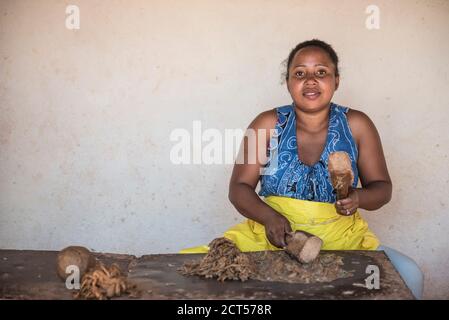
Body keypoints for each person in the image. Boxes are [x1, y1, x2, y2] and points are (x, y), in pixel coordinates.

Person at [181, 39, 423, 299]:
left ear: (336, 80)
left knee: (409, 273)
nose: (310, 80)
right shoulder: (267, 124)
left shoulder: (357, 124)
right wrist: (269, 218)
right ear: (288, 82)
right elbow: (238, 189)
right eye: (300, 73)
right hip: (271, 235)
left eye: (321, 72)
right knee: (190, 273)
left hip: (342, 238)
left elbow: (382, 189)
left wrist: (358, 197)